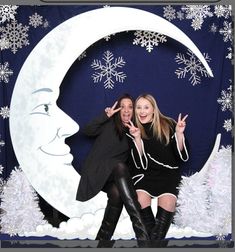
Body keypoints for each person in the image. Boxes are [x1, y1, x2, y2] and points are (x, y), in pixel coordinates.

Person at [76, 93, 149, 242]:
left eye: (130, 107)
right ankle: (142, 233)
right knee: (119, 166)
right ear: (118, 110)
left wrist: (136, 138)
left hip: (114, 176)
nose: (127, 110)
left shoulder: (134, 131)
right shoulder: (108, 123)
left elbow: (137, 162)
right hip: (96, 170)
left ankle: (102, 243)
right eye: (123, 107)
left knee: (116, 193)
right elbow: (87, 131)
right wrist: (105, 115)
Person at [126, 94, 189, 241]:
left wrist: (179, 134)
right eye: (139, 107)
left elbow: (182, 157)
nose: (142, 111)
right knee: (140, 200)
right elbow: (140, 164)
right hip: (146, 175)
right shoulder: (133, 129)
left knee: (167, 204)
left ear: (153, 109)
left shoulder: (169, 124)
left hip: (169, 175)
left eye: (146, 107)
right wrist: (137, 138)